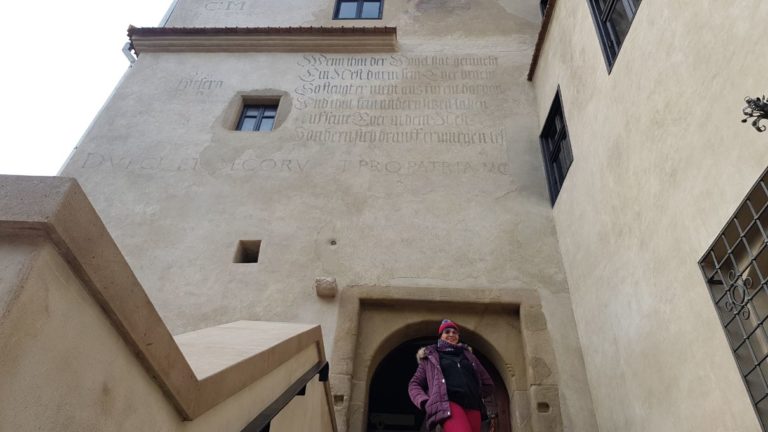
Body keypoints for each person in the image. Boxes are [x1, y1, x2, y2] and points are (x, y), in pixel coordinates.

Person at [408, 319, 498, 432]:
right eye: (447, 332)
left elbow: (487, 383)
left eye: (454, 332)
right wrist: (425, 401)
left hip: (473, 406)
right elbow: (414, 384)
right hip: (449, 404)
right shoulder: (430, 357)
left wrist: (475, 392)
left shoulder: (469, 356)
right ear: (441, 336)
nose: (451, 334)